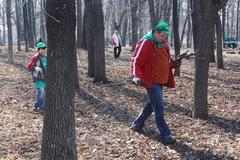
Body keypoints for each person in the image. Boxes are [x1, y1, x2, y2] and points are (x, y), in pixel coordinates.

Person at [130, 22, 181, 145]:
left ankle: (137, 124)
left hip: (161, 81)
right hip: (151, 82)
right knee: (159, 107)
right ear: (156, 32)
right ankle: (166, 134)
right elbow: (136, 60)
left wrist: (175, 63)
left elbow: (166, 62)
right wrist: (136, 76)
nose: (164, 39)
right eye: (162, 36)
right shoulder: (146, 42)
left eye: (165, 37)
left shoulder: (163, 45)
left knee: (151, 104)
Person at [28, 42, 47, 111]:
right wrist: (36, 68)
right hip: (38, 78)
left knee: (44, 93)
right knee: (41, 91)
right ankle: (36, 105)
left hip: (45, 78)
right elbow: (29, 66)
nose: (43, 50)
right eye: (41, 49)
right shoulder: (36, 57)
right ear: (38, 50)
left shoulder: (46, 57)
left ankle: (42, 107)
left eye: (44, 48)